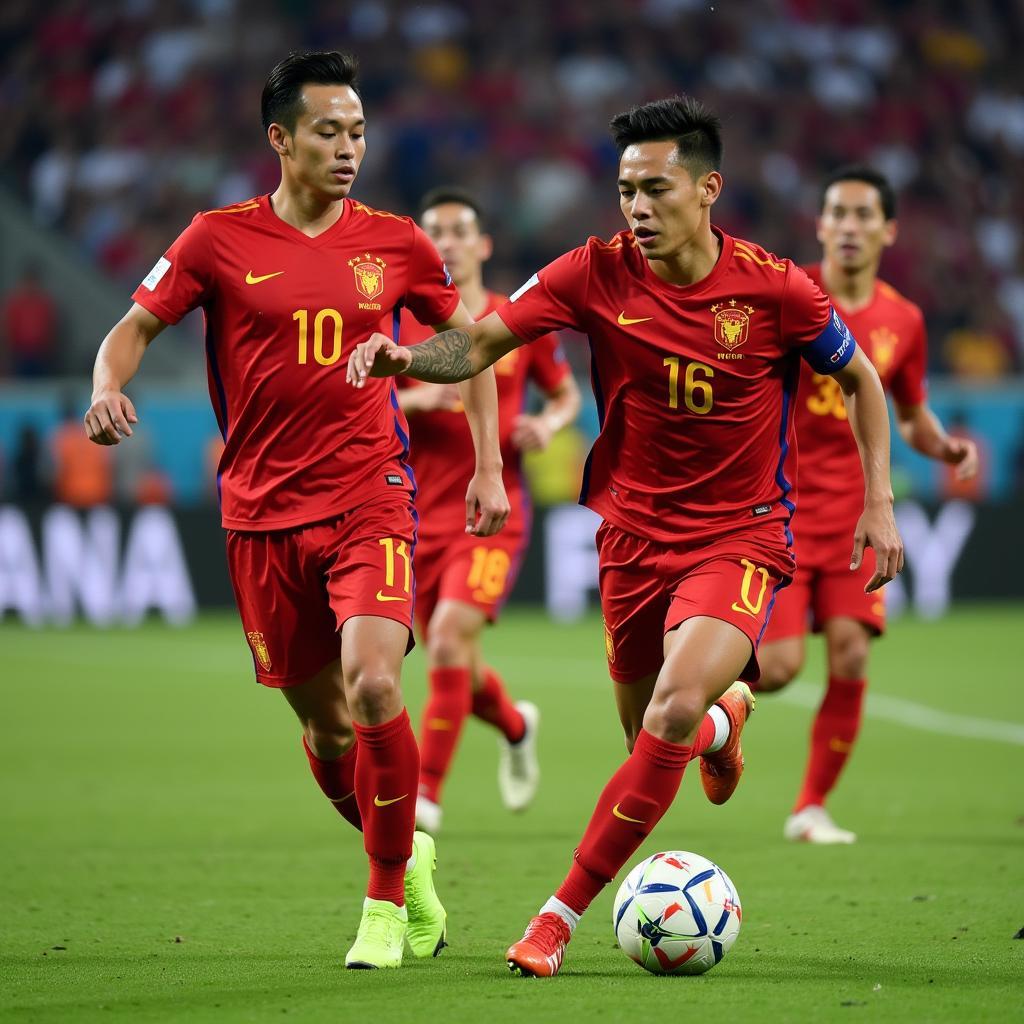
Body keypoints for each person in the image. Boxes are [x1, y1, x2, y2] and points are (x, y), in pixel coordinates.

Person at [347, 96, 904, 977]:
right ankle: (727, 727)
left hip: (741, 535)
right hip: (632, 542)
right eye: (624, 191)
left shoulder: (775, 287)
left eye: (655, 189)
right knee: (654, 730)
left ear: (708, 188)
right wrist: (407, 358)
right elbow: (480, 342)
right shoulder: (591, 272)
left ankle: (557, 916)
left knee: (668, 712)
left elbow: (865, 380)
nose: (636, 208)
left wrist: (880, 502)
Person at [83, 51, 511, 971]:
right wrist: (105, 386)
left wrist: (486, 467)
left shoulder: (397, 242)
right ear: (280, 138)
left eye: (358, 131)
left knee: (374, 684)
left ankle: (385, 904)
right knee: (324, 729)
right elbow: (132, 329)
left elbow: (468, 344)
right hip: (262, 517)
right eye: (328, 130)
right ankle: (410, 855)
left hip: (370, 495)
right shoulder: (214, 238)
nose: (348, 147)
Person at [755, 166, 979, 844]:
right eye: (837, 214)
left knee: (851, 655)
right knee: (777, 668)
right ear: (820, 225)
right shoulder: (790, 296)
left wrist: (941, 446)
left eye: (862, 216)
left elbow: (908, 413)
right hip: (783, 508)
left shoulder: (903, 320)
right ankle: (721, 720)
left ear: (888, 230)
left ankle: (810, 806)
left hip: (858, 514)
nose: (849, 227)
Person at [392, 187, 581, 835]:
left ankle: (427, 796)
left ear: (482, 244)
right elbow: (363, 399)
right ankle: (517, 724)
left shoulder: (512, 320)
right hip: (415, 517)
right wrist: (412, 404)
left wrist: (548, 424)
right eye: (434, 231)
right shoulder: (399, 323)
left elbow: (565, 394)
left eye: (458, 230)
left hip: (492, 511)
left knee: (447, 639)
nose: (446, 241)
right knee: (458, 666)